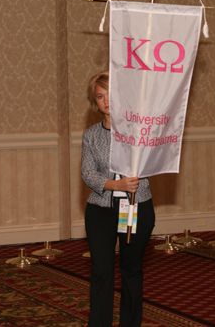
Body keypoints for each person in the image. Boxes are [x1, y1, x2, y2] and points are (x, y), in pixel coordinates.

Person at [81, 71, 155, 327]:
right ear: (95, 102)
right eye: (100, 96)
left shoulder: (139, 130)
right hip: (100, 210)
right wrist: (115, 184)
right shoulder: (91, 135)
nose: (106, 100)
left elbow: (153, 162)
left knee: (131, 270)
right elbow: (87, 173)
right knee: (101, 271)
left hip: (134, 207)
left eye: (110, 94)